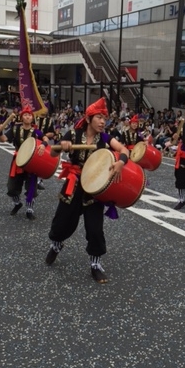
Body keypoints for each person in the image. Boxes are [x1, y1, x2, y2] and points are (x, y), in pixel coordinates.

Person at [45, 97, 130, 284]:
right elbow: (52, 152)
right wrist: (61, 147)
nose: (102, 121)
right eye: (99, 117)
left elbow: (124, 149)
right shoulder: (73, 134)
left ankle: (95, 264)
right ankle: (56, 245)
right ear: (89, 118)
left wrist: (121, 162)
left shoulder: (106, 138)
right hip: (74, 184)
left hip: (94, 189)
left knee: (95, 228)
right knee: (62, 222)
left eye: (104, 118)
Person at [6, 107, 48, 219]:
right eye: (25, 115)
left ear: (32, 118)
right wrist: (0, 131)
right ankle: (17, 203)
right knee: (12, 188)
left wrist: (43, 144)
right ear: (21, 117)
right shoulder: (15, 129)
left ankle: (30, 210)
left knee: (31, 188)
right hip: (18, 161)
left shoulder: (35, 131)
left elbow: (45, 138)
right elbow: (4, 139)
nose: (28, 117)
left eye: (30, 115)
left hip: (31, 162)